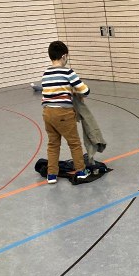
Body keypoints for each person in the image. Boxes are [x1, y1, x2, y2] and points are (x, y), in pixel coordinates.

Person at [42, 41, 90, 184]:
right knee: (74, 143)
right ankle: (81, 171)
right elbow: (85, 91)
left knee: (53, 144)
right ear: (64, 56)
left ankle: (51, 174)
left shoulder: (46, 73)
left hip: (47, 113)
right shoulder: (68, 72)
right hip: (63, 113)